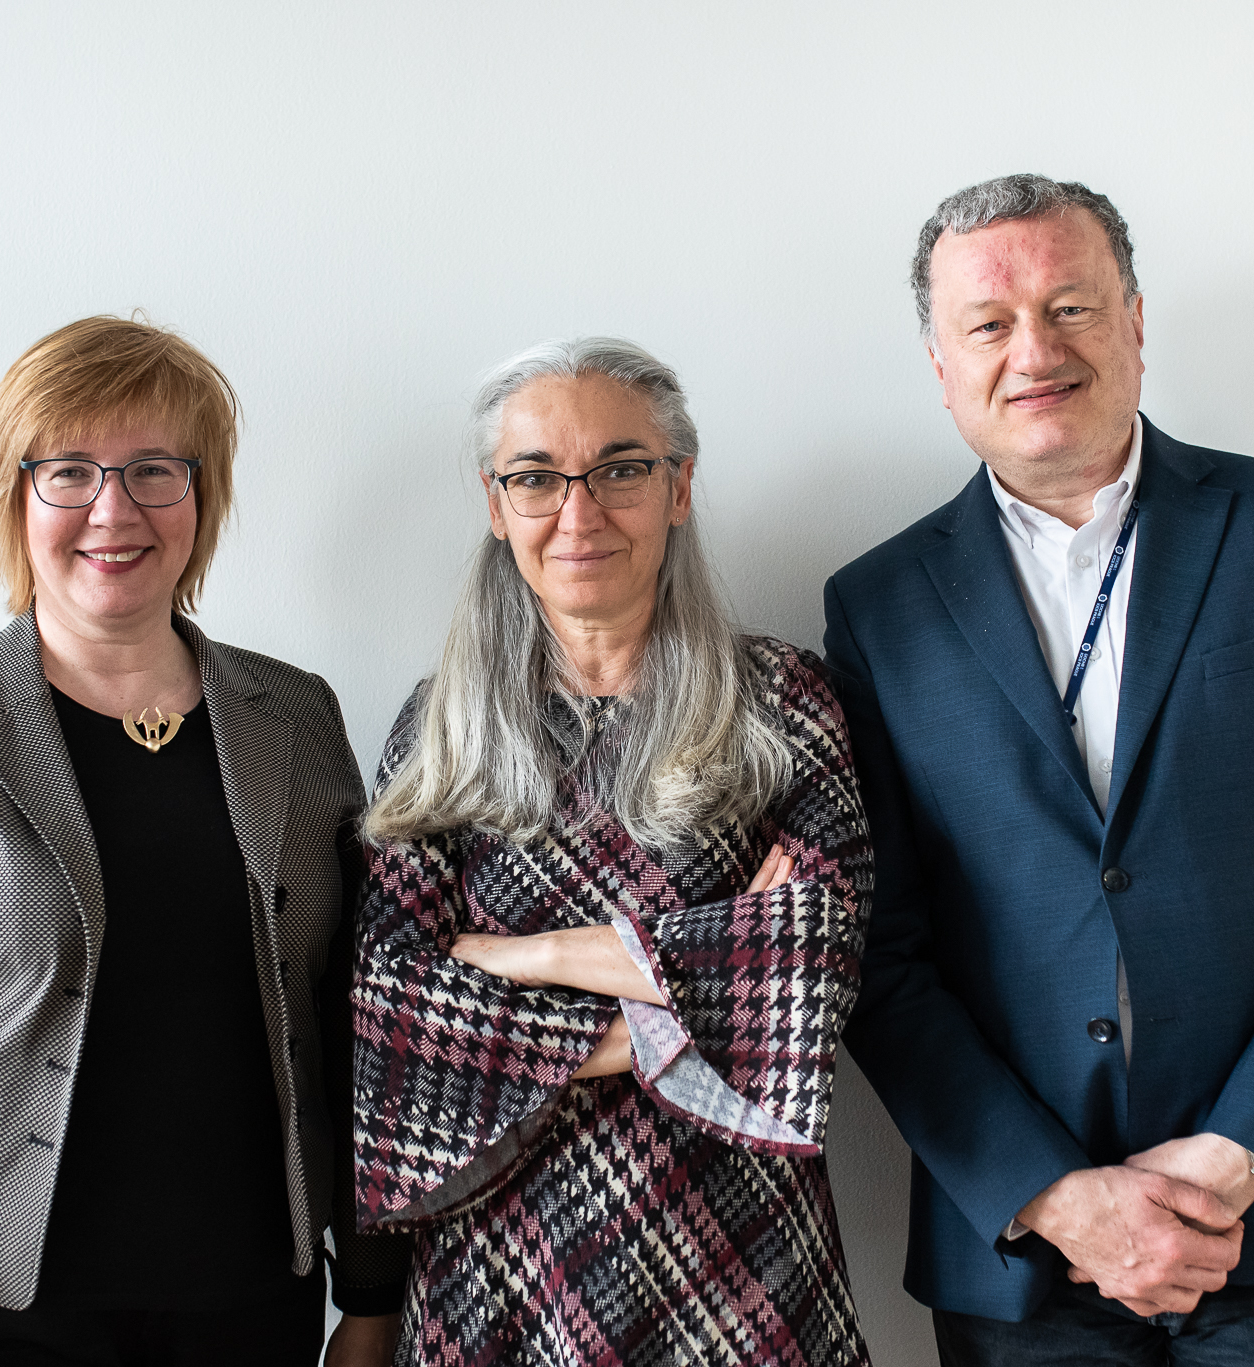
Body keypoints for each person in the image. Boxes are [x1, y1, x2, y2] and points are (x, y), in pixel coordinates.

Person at [824, 175, 1254, 1364]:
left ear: (1132, 319)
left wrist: (1236, 1159)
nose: (1034, 348)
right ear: (938, 362)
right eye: (988, 323)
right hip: (1025, 1248)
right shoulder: (878, 606)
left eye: (1069, 306)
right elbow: (876, 944)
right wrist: (1059, 1196)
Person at [0, 316, 407, 1365]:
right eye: (68, 470)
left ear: (200, 497)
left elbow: (357, 1015)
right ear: (13, 497)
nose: (113, 508)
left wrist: (374, 1289)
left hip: (251, 1310)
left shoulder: (296, 717)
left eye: (153, 468)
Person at [350, 338, 873, 1366]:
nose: (577, 513)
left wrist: (513, 959)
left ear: (677, 486)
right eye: (536, 477)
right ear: (496, 505)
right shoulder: (440, 725)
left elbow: (814, 976)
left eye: (620, 469)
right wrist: (705, 976)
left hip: (741, 1253)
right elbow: (392, 1015)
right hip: (504, 1262)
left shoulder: (783, 703)